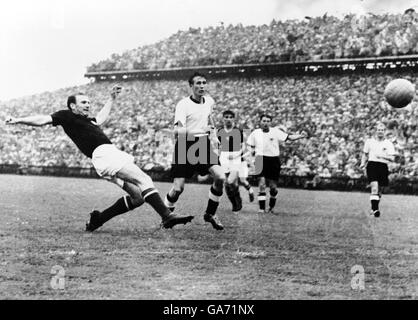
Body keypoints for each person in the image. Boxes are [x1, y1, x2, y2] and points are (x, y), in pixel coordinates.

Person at [5, 85, 194, 231]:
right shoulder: (66, 116)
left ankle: (98, 219)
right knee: (144, 179)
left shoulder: (88, 121)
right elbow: (43, 119)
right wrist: (19, 119)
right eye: (84, 102)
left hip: (105, 158)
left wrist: (111, 99)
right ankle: (166, 216)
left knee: (138, 197)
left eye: (89, 102)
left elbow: (101, 118)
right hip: (105, 155)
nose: (88, 105)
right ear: (73, 106)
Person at [163, 72, 227, 230]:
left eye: (204, 83)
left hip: (203, 145)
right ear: (191, 86)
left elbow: (209, 118)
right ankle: (166, 217)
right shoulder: (183, 105)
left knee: (220, 177)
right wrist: (201, 129)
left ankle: (210, 214)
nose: (202, 86)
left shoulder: (209, 101)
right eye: (198, 83)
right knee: (178, 188)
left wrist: (214, 135)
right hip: (185, 145)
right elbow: (178, 132)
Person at [247, 114, 306, 214]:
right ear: (260, 122)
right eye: (264, 121)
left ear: (271, 122)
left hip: (273, 160)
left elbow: (289, 137)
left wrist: (300, 136)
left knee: (273, 187)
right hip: (260, 159)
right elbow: (250, 146)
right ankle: (261, 209)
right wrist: (251, 158)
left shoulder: (275, 132)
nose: (265, 123)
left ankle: (271, 207)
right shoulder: (255, 133)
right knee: (261, 184)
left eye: (267, 121)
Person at [217, 110, 254, 213]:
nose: (228, 119)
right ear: (223, 118)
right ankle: (235, 202)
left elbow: (243, 146)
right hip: (224, 158)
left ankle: (237, 202)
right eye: (226, 117)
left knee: (230, 181)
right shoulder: (219, 131)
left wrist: (236, 155)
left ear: (233, 119)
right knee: (228, 184)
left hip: (235, 158)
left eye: (230, 117)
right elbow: (217, 146)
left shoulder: (238, 131)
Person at [360, 122, 396, 218]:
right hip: (372, 165)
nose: (380, 132)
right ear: (376, 131)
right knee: (374, 187)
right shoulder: (369, 141)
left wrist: (382, 156)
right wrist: (362, 163)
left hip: (383, 166)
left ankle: (373, 209)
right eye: (379, 130)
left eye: (382, 130)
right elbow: (365, 153)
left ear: (385, 132)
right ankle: (376, 210)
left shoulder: (388, 143)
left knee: (379, 191)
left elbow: (392, 158)